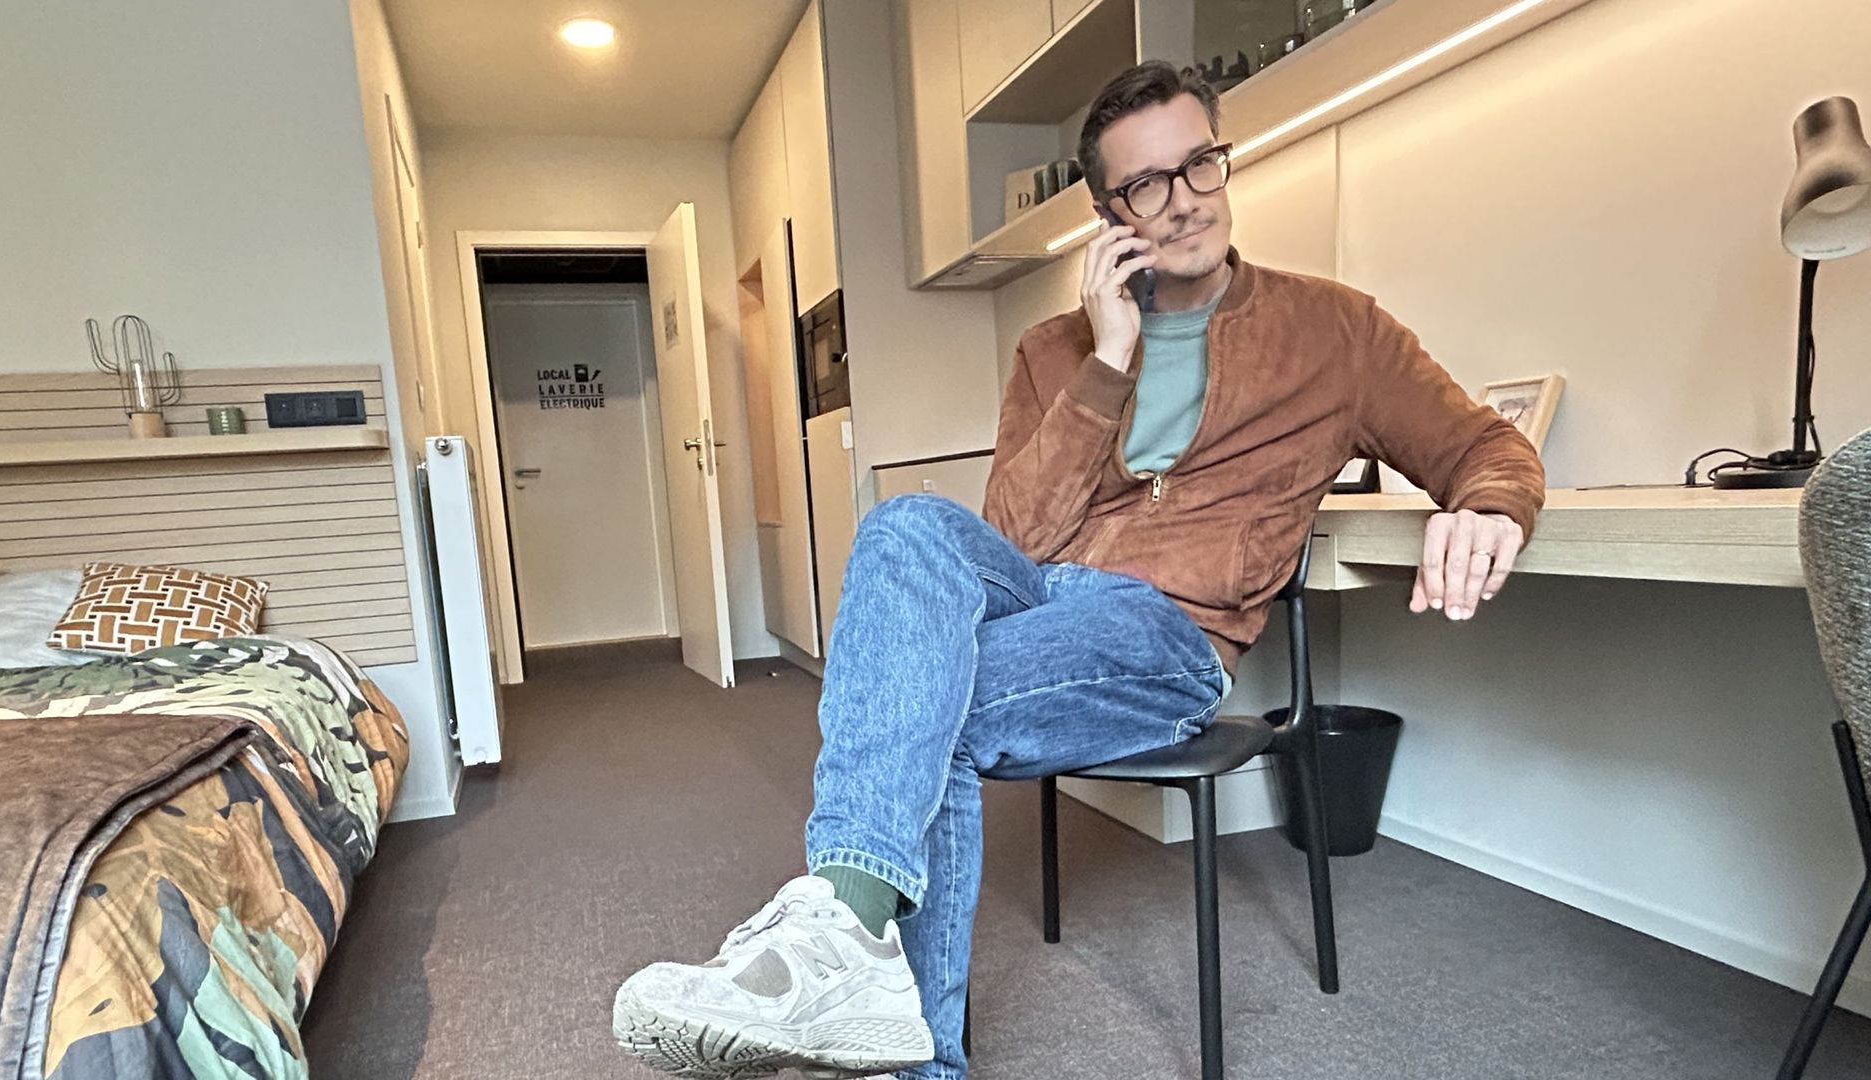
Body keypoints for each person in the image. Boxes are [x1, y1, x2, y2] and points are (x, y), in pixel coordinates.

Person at [612, 60, 1546, 1080]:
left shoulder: (1336, 330)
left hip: (1168, 633)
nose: (1182, 199)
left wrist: (1487, 507)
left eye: (1198, 164)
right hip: (1043, 598)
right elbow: (1013, 537)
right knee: (905, 525)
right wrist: (1107, 361)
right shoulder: (1054, 351)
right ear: (1109, 216)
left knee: (929, 706)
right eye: (1145, 185)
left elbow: (1484, 445)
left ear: (1223, 164)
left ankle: (860, 977)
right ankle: (850, 945)